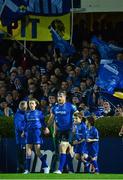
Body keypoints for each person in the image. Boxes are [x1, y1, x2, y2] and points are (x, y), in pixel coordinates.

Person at [48, 90, 78, 174]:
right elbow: (52, 119)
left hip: (69, 131)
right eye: (58, 96)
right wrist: (46, 127)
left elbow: (78, 116)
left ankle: (60, 170)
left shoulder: (71, 106)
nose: (59, 98)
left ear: (65, 97)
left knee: (63, 147)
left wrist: (77, 125)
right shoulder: (54, 108)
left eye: (61, 96)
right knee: (65, 151)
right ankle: (71, 170)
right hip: (59, 132)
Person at [23, 98, 50, 174]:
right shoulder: (26, 113)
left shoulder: (39, 113)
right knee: (28, 152)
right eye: (30, 103)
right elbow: (25, 123)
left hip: (37, 133)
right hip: (29, 133)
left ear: (35, 104)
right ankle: (27, 170)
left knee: (37, 151)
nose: (31, 105)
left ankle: (46, 166)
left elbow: (43, 122)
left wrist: (46, 128)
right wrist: (23, 131)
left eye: (32, 103)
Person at [14, 100, 28, 173]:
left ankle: (24, 169)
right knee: (22, 156)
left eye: (25, 105)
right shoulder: (18, 115)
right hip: (20, 140)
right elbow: (19, 127)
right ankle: (20, 170)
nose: (24, 107)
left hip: (26, 139)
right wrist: (26, 130)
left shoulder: (26, 114)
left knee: (25, 155)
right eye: (23, 105)